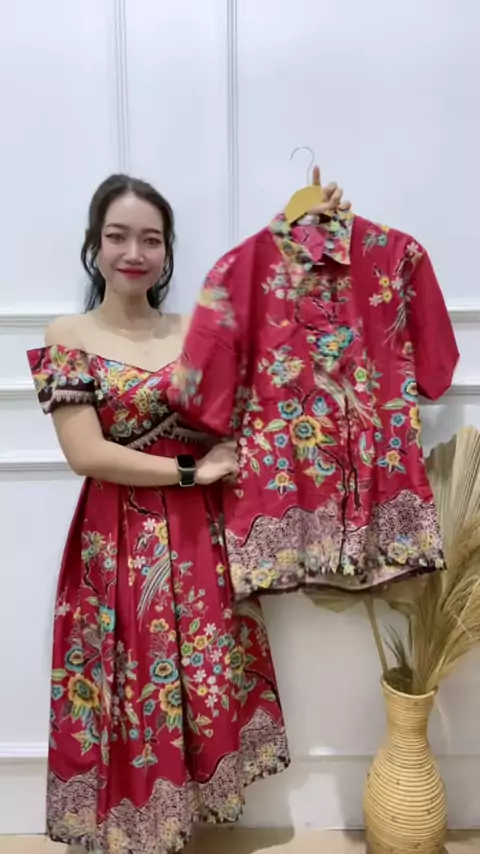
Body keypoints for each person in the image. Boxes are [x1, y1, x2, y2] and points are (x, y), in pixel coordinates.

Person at [27, 173, 351, 854]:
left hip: (200, 536)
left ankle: (178, 823)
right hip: (116, 539)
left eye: (151, 239)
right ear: (94, 245)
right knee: (129, 681)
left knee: (201, 674)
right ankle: (134, 827)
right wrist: (188, 470)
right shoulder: (68, 334)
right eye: (118, 236)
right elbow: (86, 454)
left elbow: (264, 314)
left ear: (168, 250)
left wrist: (301, 230)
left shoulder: (193, 330)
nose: (134, 252)